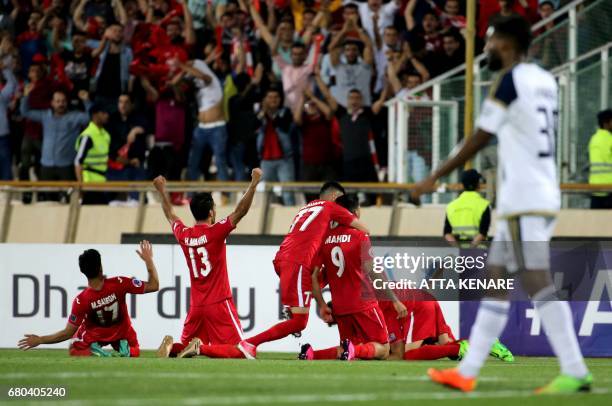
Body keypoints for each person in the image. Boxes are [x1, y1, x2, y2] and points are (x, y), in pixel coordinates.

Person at [411, 15, 592, 393]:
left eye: (489, 41)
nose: (486, 48)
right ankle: (467, 371)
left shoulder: (510, 80)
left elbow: (480, 137)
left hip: (524, 196)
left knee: (537, 281)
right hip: (538, 192)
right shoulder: (545, 79)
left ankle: (574, 369)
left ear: (506, 43)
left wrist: (434, 177)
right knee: (496, 278)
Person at [237, 182, 370, 359]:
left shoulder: (306, 208)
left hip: (284, 259)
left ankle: (291, 308)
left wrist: (322, 304)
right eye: (339, 200)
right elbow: (364, 229)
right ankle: (250, 343)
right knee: (299, 322)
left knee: (322, 274)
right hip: (298, 263)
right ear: (333, 198)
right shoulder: (331, 207)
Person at [153, 168, 263, 359]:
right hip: (219, 303)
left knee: (185, 346)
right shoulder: (215, 232)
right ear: (211, 211)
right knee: (243, 351)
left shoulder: (184, 235)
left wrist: (161, 191)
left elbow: (170, 214)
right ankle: (199, 348)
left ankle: (173, 346)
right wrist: (253, 184)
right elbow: (240, 211)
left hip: (196, 307)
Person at [302, 194, 405, 361]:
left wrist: (321, 304)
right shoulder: (359, 235)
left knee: (348, 349)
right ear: (356, 212)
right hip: (363, 304)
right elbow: (372, 271)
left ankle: (311, 354)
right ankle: (353, 351)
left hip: (340, 307)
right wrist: (394, 300)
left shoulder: (325, 239)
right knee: (384, 349)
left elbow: (313, 276)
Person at [17, 241, 160, 357]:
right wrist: (148, 260)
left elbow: (67, 333)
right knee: (135, 350)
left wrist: (40, 340)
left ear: (83, 272)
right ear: (101, 268)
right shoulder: (119, 283)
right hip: (122, 332)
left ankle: (96, 351)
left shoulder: (81, 300)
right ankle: (127, 351)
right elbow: (154, 285)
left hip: (95, 336)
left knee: (74, 349)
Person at [20, 89, 91, 199]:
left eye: (63, 101)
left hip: (66, 166)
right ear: (52, 103)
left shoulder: (74, 116)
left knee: (69, 198)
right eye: (57, 101)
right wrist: (25, 96)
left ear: (67, 102)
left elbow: (90, 117)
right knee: (47, 200)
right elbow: (25, 112)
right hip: (46, 166)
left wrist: (86, 101)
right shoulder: (45, 116)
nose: (60, 104)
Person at [183, 58, 230, 183]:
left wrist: (181, 65)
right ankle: (190, 194)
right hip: (201, 128)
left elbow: (203, 76)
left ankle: (225, 194)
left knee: (220, 161)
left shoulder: (211, 79)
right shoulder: (198, 86)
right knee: (193, 161)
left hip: (217, 127)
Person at [256, 86, 296, 206]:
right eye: (270, 97)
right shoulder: (260, 114)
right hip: (266, 161)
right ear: (265, 99)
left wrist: (269, 113)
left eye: (276, 97)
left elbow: (283, 125)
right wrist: (263, 112)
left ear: (280, 99)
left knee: (288, 193)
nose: (273, 100)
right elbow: (254, 126)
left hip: (285, 160)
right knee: (266, 195)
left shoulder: (286, 112)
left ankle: (292, 223)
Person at [74, 103, 111, 205]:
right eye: (103, 113)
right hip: (89, 183)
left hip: (102, 182)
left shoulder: (106, 135)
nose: (106, 115)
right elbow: (78, 161)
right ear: (95, 115)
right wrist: (81, 186)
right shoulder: (87, 136)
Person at [443, 169, 491, 248]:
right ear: (478, 184)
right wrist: (470, 249)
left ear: (462, 185)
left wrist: (458, 249)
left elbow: (447, 233)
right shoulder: (484, 205)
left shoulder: (451, 206)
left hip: (458, 253)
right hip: (478, 252)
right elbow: (482, 233)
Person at [587, 109, 612, 209]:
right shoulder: (610, 140)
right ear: (606, 123)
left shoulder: (593, 139)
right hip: (609, 190)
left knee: (596, 223)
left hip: (595, 189)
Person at [0, 60, 17, 180]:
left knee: (6, 170)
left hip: (2, 137)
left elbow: (12, 84)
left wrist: (5, 68)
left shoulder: (1, 96)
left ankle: (5, 197)